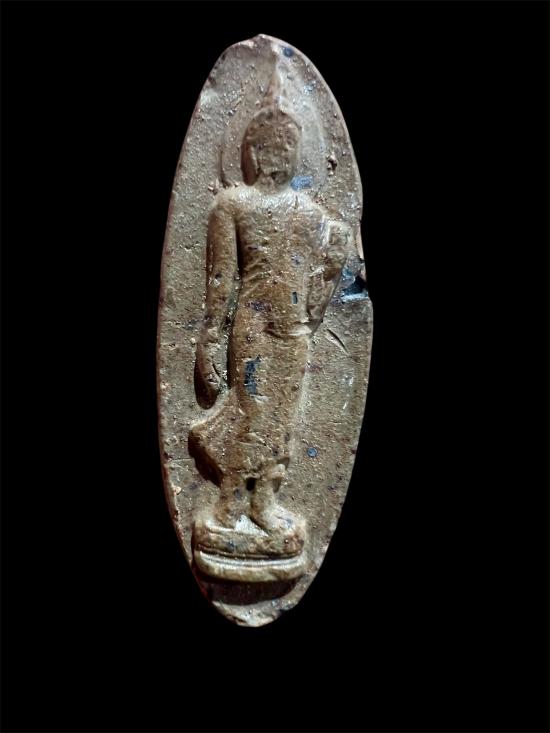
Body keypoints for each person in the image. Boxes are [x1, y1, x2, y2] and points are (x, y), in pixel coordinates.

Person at [190, 82, 351, 546]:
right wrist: (208, 340)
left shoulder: (311, 212)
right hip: (255, 328)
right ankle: (230, 502)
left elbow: (327, 273)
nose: (280, 156)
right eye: (270, 147)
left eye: (288, 147)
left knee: (283, 418)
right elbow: (221, 280)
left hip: (294, 331)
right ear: (252, 153)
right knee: (254, 411)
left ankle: (264, 502)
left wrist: (336, 254)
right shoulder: (232, 205)